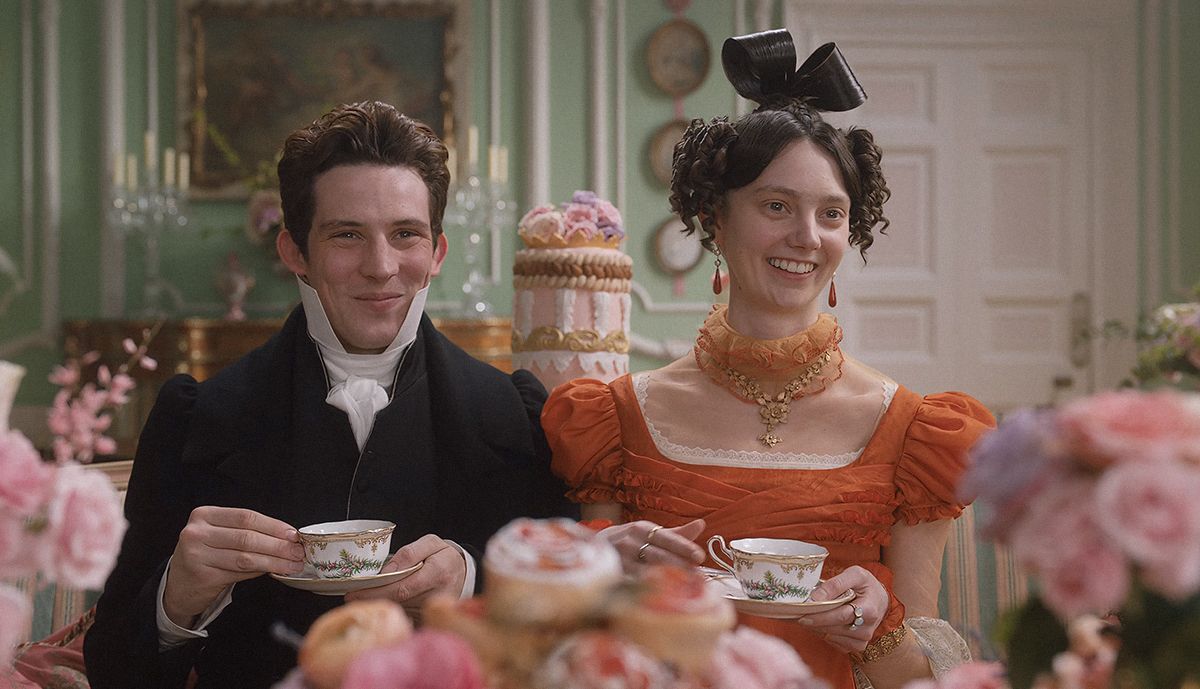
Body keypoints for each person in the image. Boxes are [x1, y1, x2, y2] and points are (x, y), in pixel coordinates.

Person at [543, 30, 995, 689]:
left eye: (831, 214)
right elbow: (574, 650)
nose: (806, 237)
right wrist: (605, 585)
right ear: (716, 220)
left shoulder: (916, 432)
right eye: (776, 206)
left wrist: (877, 633)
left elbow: (924, 679)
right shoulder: (612, 420)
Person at [84, 101, 575, 689]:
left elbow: (572, 639)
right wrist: (177, 597)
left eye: (406, 234)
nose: (381, 266)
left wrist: (473, 582)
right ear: (295, 252)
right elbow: (112, 671)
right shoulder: (195, 419)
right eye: (347, 235)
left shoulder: (518, 418)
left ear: (436, 253)